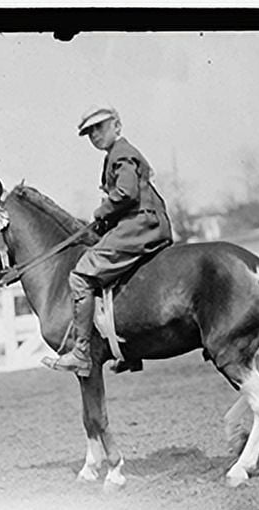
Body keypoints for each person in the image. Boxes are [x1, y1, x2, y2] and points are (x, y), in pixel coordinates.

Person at [42, 105, 173, 377]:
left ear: (117, 126)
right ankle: (130, 349)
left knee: (80, 275)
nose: (94, 135)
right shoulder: (115, 155)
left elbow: (126, 192)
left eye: (100, 127)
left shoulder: (122, 153)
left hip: (140, 223)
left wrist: (102, 211)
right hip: (139, 222)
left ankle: (80, 352)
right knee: (111, 274)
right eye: (89, 132)